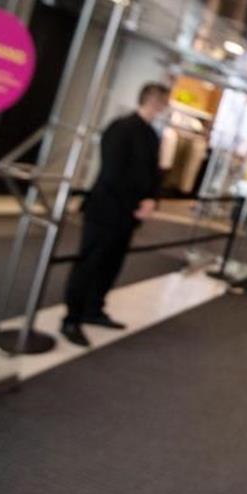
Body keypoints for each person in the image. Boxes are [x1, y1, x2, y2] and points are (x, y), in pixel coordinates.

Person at [60, 82, 169, 347]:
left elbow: (153, 173)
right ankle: (71, 319)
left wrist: (151, 200)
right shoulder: (120, 128)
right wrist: (139, 202)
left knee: (111, 264)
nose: (166, 106)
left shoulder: (152, 135)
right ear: (153, 101)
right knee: (90, 262)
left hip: (127, 215)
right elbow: (112, 173)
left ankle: (94, 310)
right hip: (105, 210)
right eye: (164, 101)